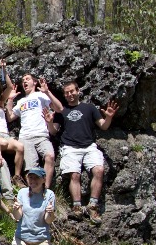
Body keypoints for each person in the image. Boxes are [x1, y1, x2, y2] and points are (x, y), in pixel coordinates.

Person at [46, 81, 119, 224]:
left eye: (72, 91)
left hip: (89, 146)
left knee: (98, 170)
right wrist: (49, 122)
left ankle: (92, 206)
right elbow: (54, 131)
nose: (69, 95)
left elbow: (103, 126)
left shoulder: (89, 108)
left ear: (78, 91)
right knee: (74, 174)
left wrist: (109, 117)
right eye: (66, 93)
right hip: (69, 147)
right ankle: (77, 207)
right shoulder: (62, 111)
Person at [5, 74, 63, 188]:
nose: (24, 82)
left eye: (27, 79)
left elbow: (59, 108)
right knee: (32, 168)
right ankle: (33, 191)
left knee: (50, 156)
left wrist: (47, 92)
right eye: (23, 80)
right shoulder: (21, 101)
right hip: (26, 137)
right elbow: (10, 117)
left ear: (34, 82)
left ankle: (45, 189)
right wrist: (10, 99)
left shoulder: (41, 95)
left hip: (42, 135)